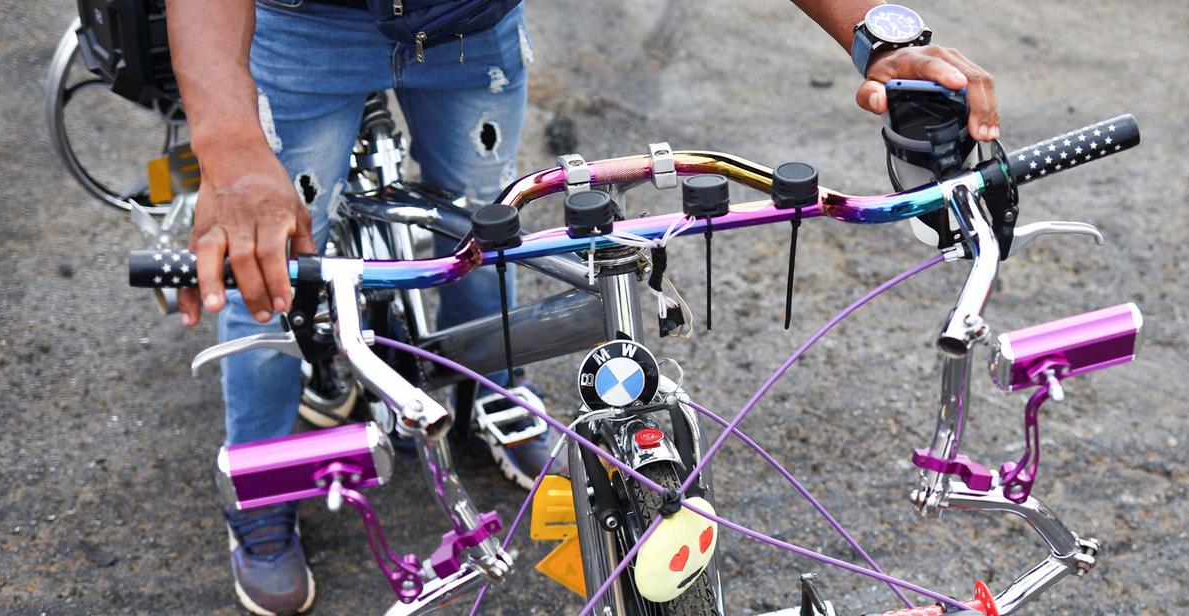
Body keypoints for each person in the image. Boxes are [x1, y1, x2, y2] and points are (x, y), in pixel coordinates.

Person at [165, 0, 998, 613]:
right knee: (269, 258)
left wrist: (881, 32)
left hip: (468, 28)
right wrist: (229, 140)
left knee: (482, 225)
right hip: (304, 30)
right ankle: (262, 497)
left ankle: (494, 400)